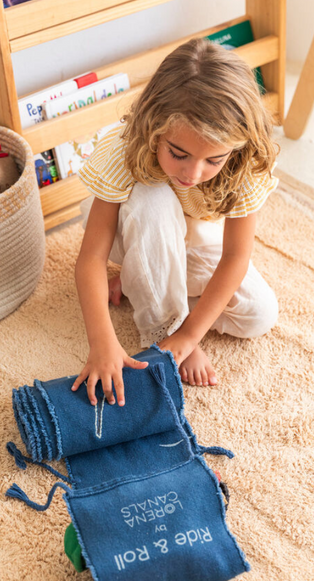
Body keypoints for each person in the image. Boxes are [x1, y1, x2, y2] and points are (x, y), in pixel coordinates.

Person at [71, 38, 279, 407]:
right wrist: (103, 343)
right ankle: (161, 328)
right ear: (154, 129)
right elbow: (91, 259)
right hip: (127, 225)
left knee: (258, 315)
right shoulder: (123, 149)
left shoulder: (245, 160)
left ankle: (140, 279)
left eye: (213, 160)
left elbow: (235, 257)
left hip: (189, 235)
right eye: (178, 154)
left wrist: (190, 335)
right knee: (153, 198)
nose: (193, 173)